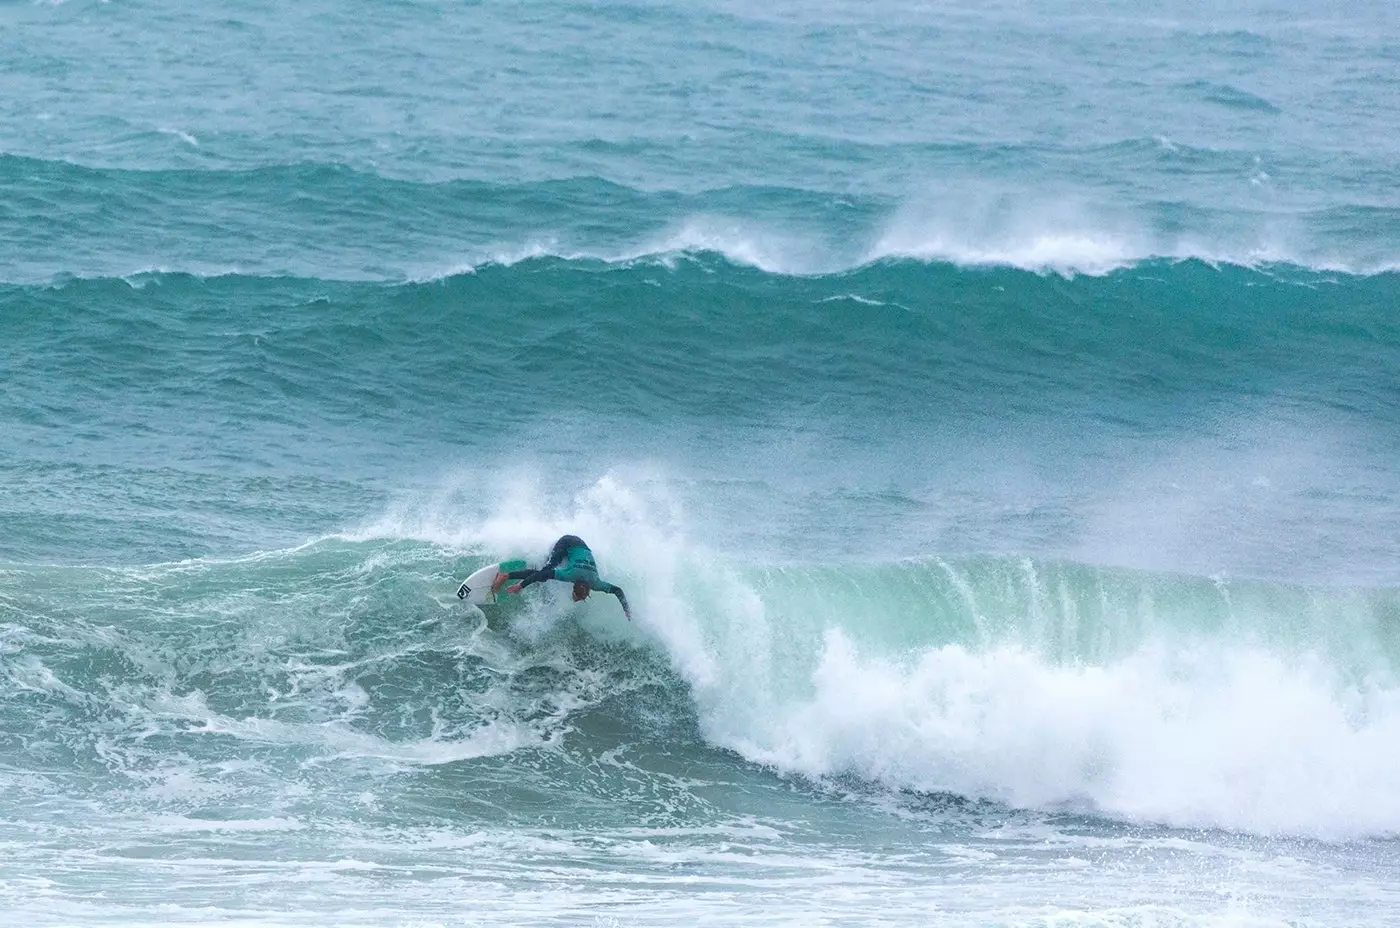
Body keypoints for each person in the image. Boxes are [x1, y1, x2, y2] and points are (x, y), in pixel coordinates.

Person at [491, 534, 632, 620]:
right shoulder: (569, 575)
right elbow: (542, 575)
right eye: (576, 598)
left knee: (546, 573)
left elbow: (618, 590)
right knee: (545, 571)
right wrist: (520, 585)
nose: (575, 600)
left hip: (582, 546)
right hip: (567, 542)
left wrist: (626, 609)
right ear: (573, 587)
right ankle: (506, 576)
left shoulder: (596, 583)